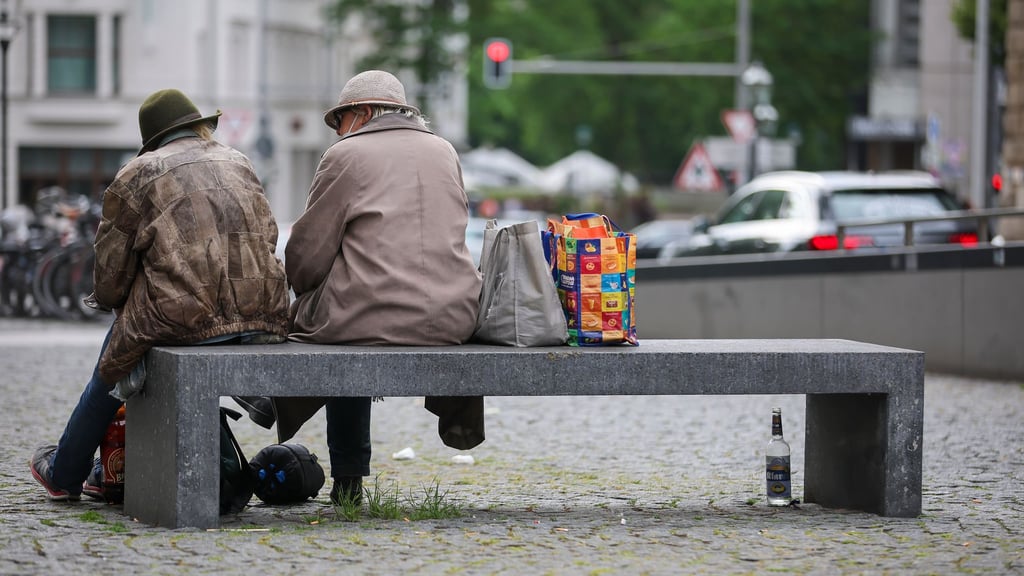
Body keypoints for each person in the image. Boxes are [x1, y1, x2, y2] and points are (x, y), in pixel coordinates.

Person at [29, 89, 290, 501]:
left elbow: (111, 272)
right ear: (199, 126)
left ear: (150, 140)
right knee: (137, 334)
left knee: (113, 360)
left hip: (184, 318)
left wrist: (120, 300)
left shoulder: (137, 173)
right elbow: (267, 236)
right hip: (264, 312)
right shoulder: (237, 161)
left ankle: (64, 473)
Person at [280, 70, 482, 505]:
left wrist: (305, 288)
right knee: (347, 311)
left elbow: (308, 253)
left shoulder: (346, 156)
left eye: (341, 121)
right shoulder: (445, 150)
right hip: (455, 316)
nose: (338, 132)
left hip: (371, 315)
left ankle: (348, 477)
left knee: (332, 325)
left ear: (364, 113)